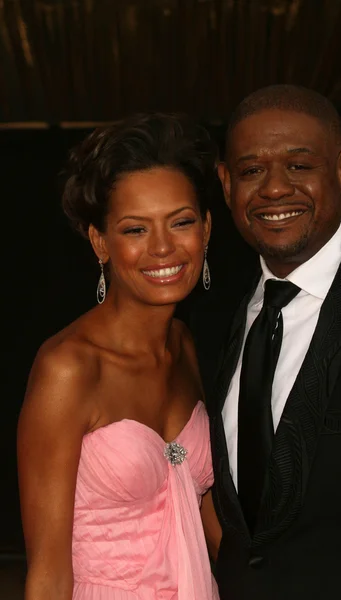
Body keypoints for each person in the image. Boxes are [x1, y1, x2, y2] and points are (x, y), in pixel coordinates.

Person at [190, 84, 341, 599]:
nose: (274, 189)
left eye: (299, 166)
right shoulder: (211, 319)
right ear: (225, 182)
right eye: (251, 170)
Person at [17, 113, 221, 600]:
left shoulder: (184, 346)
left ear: (207, 229)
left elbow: (210, 524)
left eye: (182, 222)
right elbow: (46, 575)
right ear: (99, 242)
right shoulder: (68, 369)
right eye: (135, 230)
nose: (163, 247)